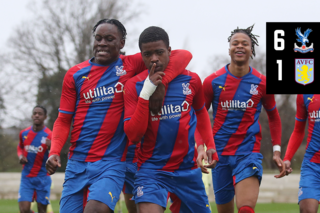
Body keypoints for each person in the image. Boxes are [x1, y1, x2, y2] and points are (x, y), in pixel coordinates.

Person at [45, 19, 192, 213]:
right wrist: (55, 150)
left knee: (96, 210)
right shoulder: (75, 74)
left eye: (109, 38)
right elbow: (64, 120)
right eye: (98, 38)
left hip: (111, 162)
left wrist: (163, 82)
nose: (102, 43)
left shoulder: (130, 64)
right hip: (76, 163)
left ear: (121, 43)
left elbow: (183, 55)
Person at [124, 26, 218, 213]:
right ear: (141, 56)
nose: (154, 59)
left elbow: (200, 113)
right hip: (151, 171)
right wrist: (145, 94)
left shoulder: (192, 80)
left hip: (187, 170)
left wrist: (209, 144)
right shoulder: (134, 85)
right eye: (147, 54)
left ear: (169, 51)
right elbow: (133, 135)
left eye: (159, 52)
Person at [201, 25, 286, 213]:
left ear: (251, 49)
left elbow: (274, 117)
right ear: (229, 48)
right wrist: (202, 147)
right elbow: (199, 117)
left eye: (245, 43)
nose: (239, 46)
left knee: (246, 209)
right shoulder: (212, 82)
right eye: (235, 43)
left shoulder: (262, 82)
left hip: (248, 153)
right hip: (219, 156)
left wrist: (277, 151)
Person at [283, 94, 320, 213]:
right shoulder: (304, 95)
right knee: (307, 210)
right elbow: (298, 130)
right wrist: (287, 158)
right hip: (312, 166)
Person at [17, 106, 52, 213]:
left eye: (40, 113)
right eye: (35, 113)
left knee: (42, 210)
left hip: (43, 178)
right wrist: (20, 156)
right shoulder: (24, 133)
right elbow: (20, 147)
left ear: (45, 117)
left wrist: (51, 147)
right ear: (32, 115)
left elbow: (56, 154)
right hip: (27, 178)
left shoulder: (50, 135)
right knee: (24, 210)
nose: (37, 115)